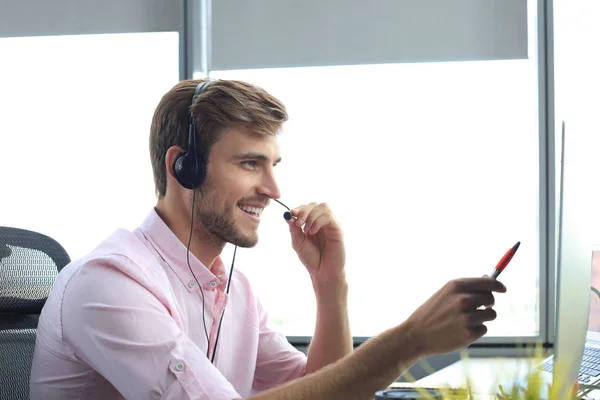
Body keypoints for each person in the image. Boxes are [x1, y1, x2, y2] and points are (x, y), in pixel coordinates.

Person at [29, 78, 506, 400]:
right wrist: (407, 341)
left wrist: (329, 285)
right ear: (184, 167)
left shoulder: (232, 288)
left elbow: (321, 388)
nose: (274, 190)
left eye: (273, 166)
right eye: (250, 163)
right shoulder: (108, 282)